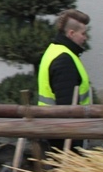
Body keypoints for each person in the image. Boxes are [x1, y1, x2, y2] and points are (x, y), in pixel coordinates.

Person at [38, 9, 91, 152]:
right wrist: (76, 144)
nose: (85, 38)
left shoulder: (54, 50)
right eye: (83, 34)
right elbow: (67, 107)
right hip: (66, 137)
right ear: (71, 34)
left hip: (53, 130)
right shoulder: (64, 59)